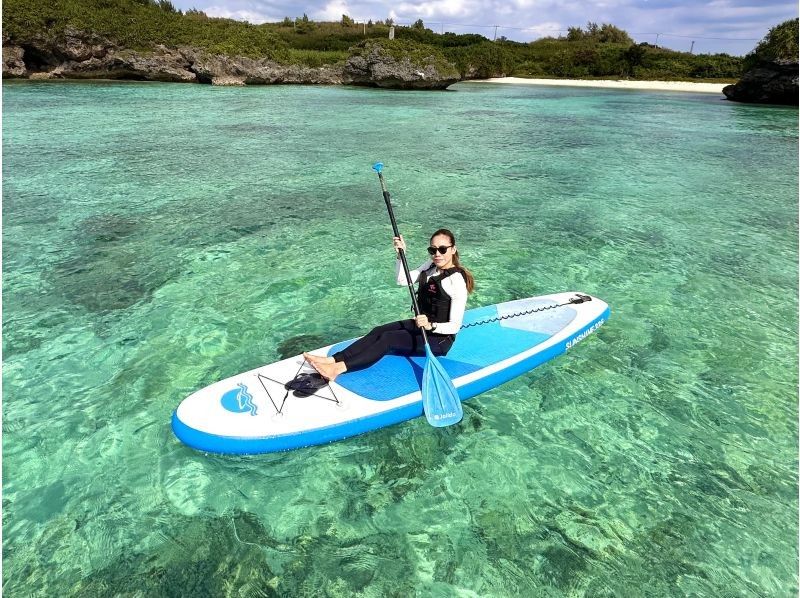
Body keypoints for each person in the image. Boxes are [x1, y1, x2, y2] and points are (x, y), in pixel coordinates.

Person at [304, 228, 475, 382]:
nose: (437, 254)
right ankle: (333, 359)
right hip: (421, 325)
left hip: (439, 340)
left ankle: (337, 369)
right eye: (433, 249)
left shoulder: (456, 282)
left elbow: (454, 327)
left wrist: (431, 325)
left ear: (453, 249)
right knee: (379, 330)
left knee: (388, 340)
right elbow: (402, 280)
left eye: (442, 249)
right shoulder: (430, 266)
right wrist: (400, 255)